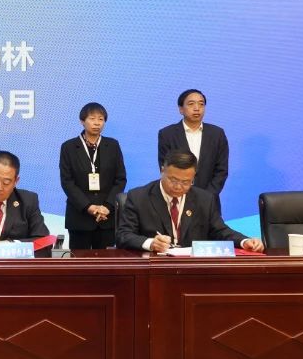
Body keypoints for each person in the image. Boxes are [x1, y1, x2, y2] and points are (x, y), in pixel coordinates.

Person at [116, 151, 263, 253]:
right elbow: (124, 235)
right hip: (154, 267)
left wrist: (244, 241)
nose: (178, 187)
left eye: (186, 182)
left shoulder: (204, 199)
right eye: (173, 180)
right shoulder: (139, 197)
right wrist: (151, 243)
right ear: (162, 170)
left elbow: (220, 230)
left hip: (193, 269)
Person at [59, 102, 127, 249]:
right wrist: (88, 207)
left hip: (106, 217)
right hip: (79, 217)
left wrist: (108, 206)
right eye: (92, 118)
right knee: (79, 261)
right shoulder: (68, 147)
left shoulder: (113, 145)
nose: (97, 123)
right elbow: (67, 182)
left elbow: (120, 179)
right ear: (82, 121)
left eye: (101, 119)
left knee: (106, 261)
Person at [157, 89, 228, 194]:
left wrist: (207, 197)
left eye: (201, 104)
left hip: (209, 198)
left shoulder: (217, 134)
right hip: (177, 195)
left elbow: (221, 170)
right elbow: (166, 168)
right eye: (191, 104)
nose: (197, 108)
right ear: (181, 109)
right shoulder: (167, 134)